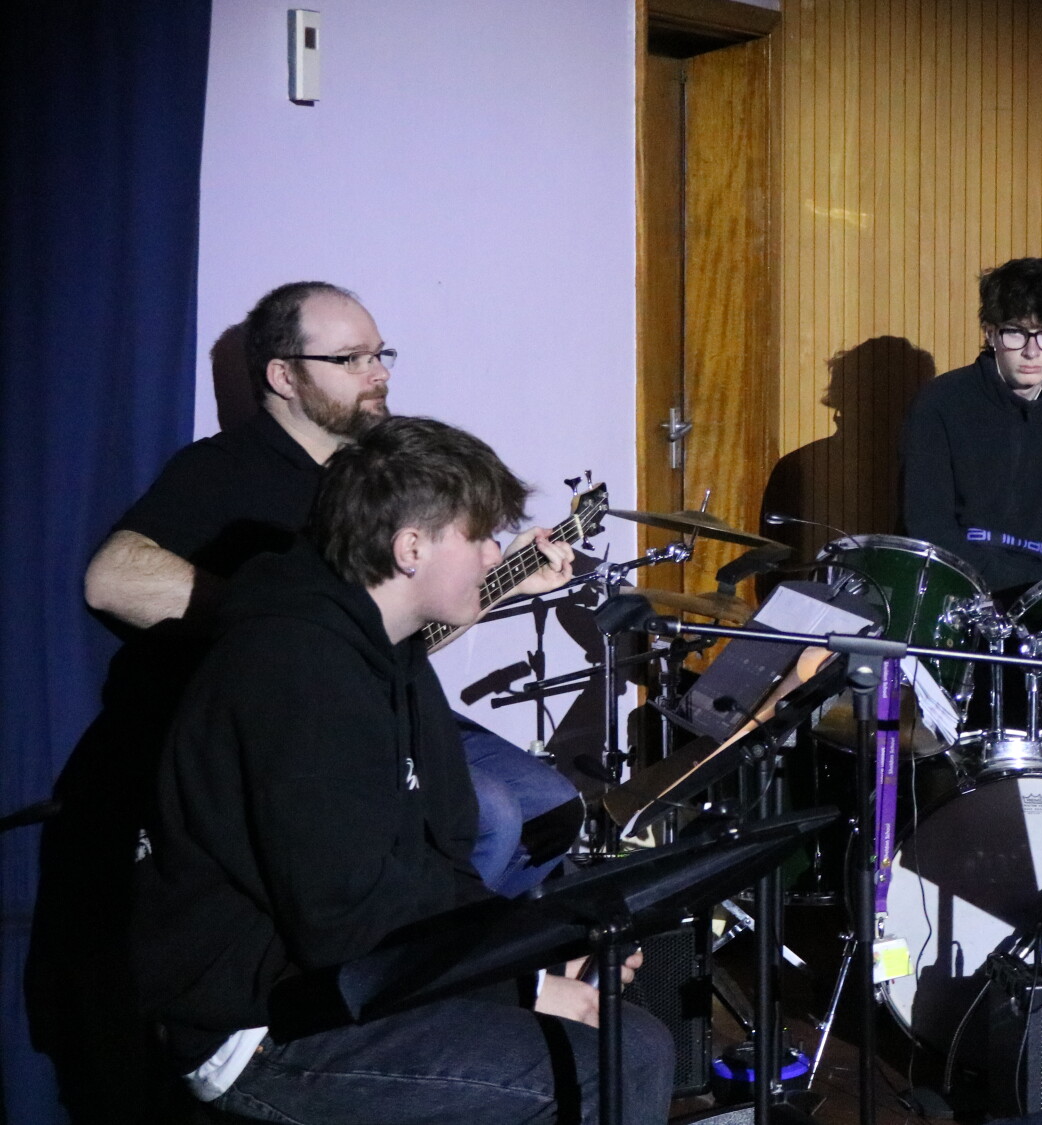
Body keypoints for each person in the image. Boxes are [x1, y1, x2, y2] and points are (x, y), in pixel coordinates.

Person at [130, 416, 671, 1122]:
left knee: (635, 1038)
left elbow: (439, 862)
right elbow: (341, 920)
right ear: (411, 548)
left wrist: (541, 952)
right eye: (479, 537)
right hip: (259, 1023)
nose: (494, 555)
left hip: (337, 982)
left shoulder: (393, 652)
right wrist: (527, 985)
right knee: (623, 1062)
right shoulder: (293, 669)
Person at [81, 280, 580, 893]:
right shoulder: (225, 467)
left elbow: (394, 637)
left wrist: (500, 581)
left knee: (552, 807)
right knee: (490, 816)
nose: (378, 373)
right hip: (289, 732)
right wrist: (287, 625)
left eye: (379, 355)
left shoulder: (374, 478)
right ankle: (407, 948)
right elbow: (111, 578)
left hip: (380, 714)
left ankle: (469, 944)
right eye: (350, 359)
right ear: (284, 377)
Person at [900, 257, 1042, 595]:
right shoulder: (941, 401)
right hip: (952, 586)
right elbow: (929, 527)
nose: (1031, 351)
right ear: (990, 331)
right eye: (1016, 332)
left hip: (1038, 591)